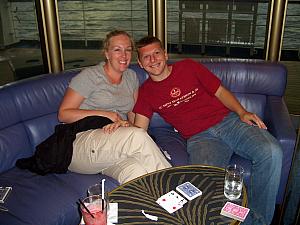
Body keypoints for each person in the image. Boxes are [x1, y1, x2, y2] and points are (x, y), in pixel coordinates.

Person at [132, 36, 283, 225]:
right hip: (200, 139)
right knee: (201, 189)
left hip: (229, 122)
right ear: (140, 63)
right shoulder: (145, 92)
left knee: (272, 151)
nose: (153, 60)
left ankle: (258, 222)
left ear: (165, 53)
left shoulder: (188, 66)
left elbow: (220, 91)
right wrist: (121, 125)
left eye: (156, 53)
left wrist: (242, 112)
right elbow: (139, 130)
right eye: (147, 57)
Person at [58, 31, 171, 184]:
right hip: (79, 145)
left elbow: (134, 119)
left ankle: (157, 207)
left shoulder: (131, 77)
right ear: (107, 53)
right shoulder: (90, 76)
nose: (124, 55)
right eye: (117, 50)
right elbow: (63, 114)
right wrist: (107, 115)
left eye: (128, 50)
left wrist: (125, 124)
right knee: (136, 136)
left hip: (110, 150)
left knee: (137, 172)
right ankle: (176, 187)